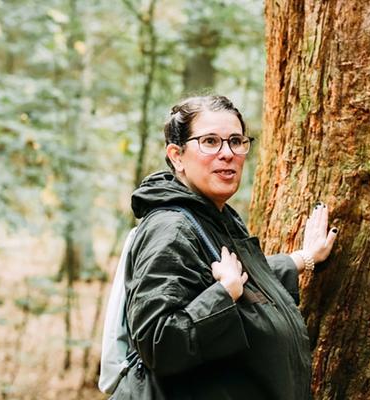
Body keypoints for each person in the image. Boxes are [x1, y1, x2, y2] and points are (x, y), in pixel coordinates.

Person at [115, 95, 337, 400]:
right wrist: (223, 295)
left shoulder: (215, 217)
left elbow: (235, 278)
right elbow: (158, 343)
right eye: (209, 141)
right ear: (177, 156)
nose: (227, 153)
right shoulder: (170, 229)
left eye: (236, 141)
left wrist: (303, 259)